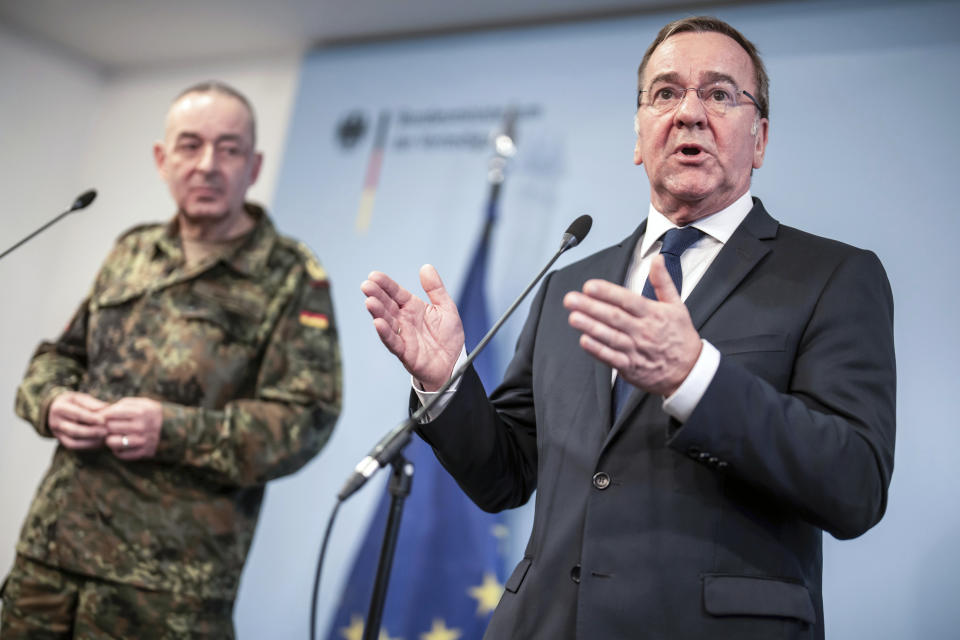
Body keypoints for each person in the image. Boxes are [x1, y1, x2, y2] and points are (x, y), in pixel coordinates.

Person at [361, 16, 895, 640]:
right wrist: (445, 382)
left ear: (761, 138)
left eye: (720, 94)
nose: (689, 113)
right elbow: (506, 474)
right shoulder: (570, 281)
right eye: (665, 93)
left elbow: (854, 483)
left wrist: (696, 379)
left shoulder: (831, 275)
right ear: (639, 135)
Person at [0, 81, 342, 638]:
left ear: (253, 167)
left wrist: (175, 430)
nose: (208, 164)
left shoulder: (291, 277)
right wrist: (53, 403)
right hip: (52, 555)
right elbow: (57, 358)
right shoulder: (132, 250)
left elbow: (306, 421)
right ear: (163, 160)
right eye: (190, 145)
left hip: (167, 588)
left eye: (229, 149)